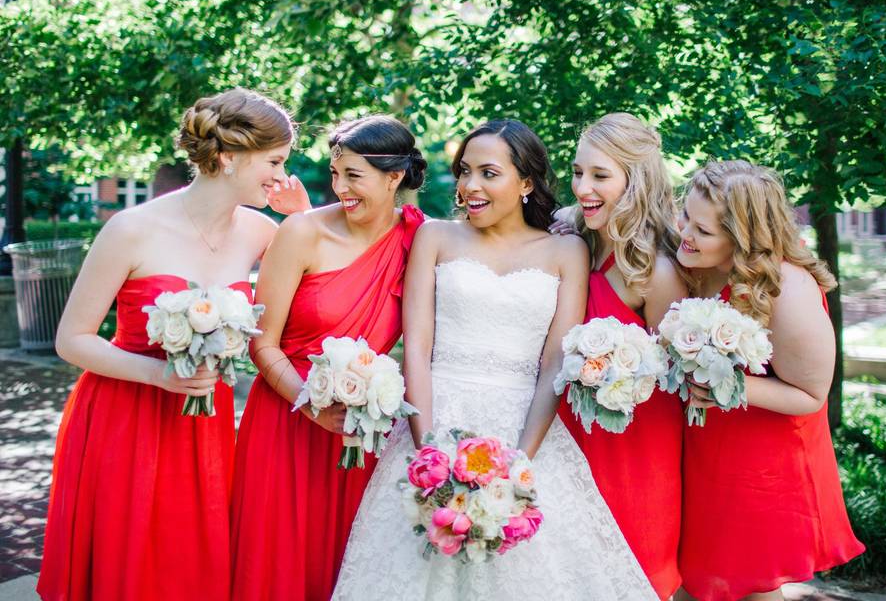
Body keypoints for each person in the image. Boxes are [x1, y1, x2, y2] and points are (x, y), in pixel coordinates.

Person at [333, 119, 658, 600]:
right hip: (435, 421)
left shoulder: (566, 250)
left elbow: (554, 364)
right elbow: (417, 350)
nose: (470, 186)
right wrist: (431, 455)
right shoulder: (436, 237)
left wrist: (522, 463)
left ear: (526, 183)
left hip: (526, 430)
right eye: (465, 172)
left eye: (489, 173)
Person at [38, 88, 297, 601]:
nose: (281, 175)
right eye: (275, 161)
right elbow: (71, 339)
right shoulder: (131, 229)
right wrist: (159, 375)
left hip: (204, 421)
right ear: (228, 157)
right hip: (124, 413)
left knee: (193, 561)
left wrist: (302, 218)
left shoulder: (263, 232)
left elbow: (312, 292)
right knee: (127, 561)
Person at [230, 115, 426, 601]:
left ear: (394, 176)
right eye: (335, 174)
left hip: (363, 428)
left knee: (351, 567)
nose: (339, 187)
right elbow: (262, 341)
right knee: (278, 568)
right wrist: (310, 403)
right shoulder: (301, 233)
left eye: (353, 176)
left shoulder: (419, 240)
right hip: (286, 421)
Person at [675, 160, 864, 601]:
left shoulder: (788, 288)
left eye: (702, 231)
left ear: (743, 238)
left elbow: (812, 394)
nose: (685, 232)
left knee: (751, 587)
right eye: (686, 217)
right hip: (706, 452)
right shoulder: (700, 262)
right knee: (696, 583)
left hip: (762, 463)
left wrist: (733, 388)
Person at [556, 113, 687, 600]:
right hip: (568, 440)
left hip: (634, 452)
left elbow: (679, 376)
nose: (583, 187)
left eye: (599, 176)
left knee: (630, 575)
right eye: (577, 172)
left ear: (637, 181)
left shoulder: (657, 269)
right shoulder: (574, 240)